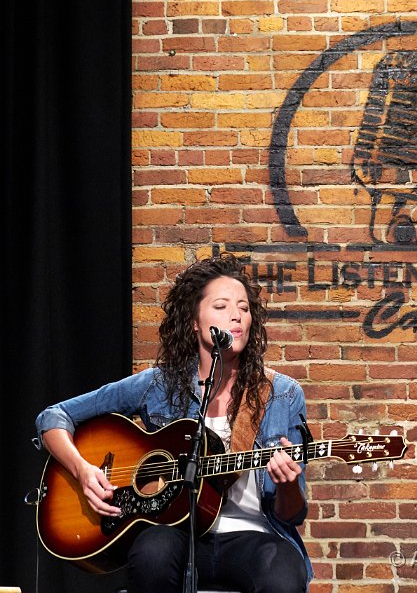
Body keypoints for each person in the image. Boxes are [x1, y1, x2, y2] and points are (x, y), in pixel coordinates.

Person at [35, 253, 312, 593]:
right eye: (222, 306)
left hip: (255, 537)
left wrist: (286, 483)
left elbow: (291, 514)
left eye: (244, 307)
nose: (237, 316)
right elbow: (53, 417)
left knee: (283, 579)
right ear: (195, 321)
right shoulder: (158, 384)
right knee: (152, 553)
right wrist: (83, 470)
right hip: (174, 532)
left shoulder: (282, 394)